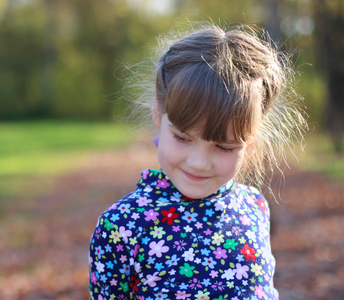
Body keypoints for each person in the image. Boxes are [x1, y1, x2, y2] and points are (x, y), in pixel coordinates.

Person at [88, 23, 307, 300]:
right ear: (159, 111)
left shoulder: (255, 207)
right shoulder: (122, 226)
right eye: (182, 138)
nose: (200, 163)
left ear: (249, 142)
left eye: (224, 147)